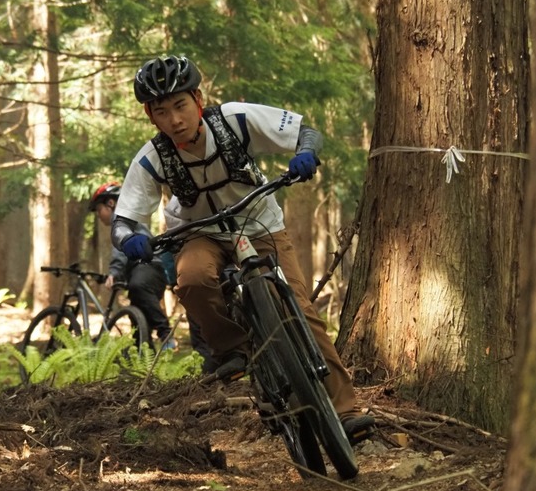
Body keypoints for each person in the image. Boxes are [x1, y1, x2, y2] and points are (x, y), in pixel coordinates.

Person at [111, 55, 374, 445]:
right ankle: (234, 349)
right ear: (152, 117)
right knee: (193, 278)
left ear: (198, 99)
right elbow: (123, 220)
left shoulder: (234, 120)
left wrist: (305, 153)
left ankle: (347, 411)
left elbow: (305, 130)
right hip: (198, 232)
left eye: (181, 105)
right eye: (162, 112)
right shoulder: (152, 158)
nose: (175, 120)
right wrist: (132, 238)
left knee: (298, 309)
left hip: (259, 222)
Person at [89, 182, 174, 349]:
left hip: (149, 268)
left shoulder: (121, 221)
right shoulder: (128, 218)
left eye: (99, 210)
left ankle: (165, 332)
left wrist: (114, 272)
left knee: (136, 287)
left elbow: (121, 249)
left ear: (110, 204)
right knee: (138, 322)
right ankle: (145, 364)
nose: (99, 215)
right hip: (145, 271)